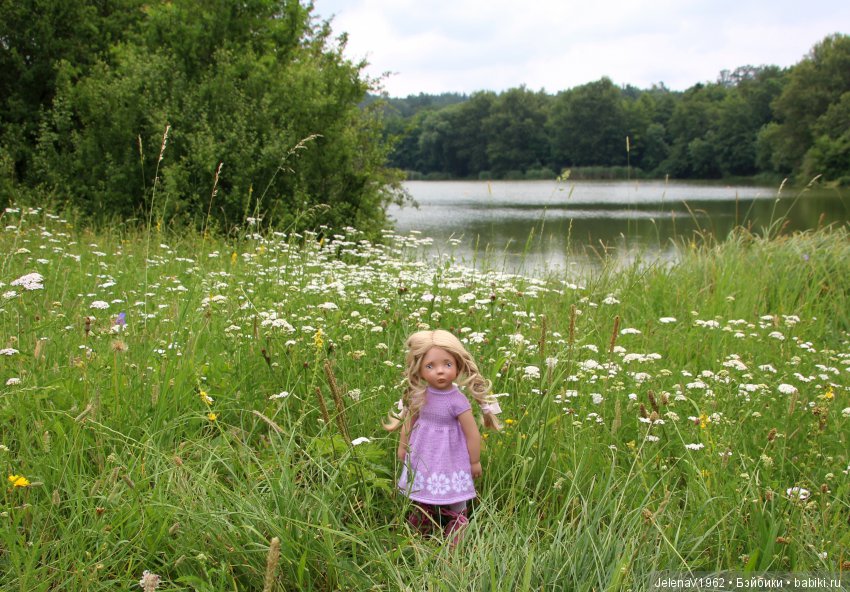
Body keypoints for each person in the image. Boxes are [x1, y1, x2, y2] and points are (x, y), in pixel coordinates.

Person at [384, 329, 502, 545]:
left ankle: (457, 526)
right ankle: (422, 520)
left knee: (457, 496)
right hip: (423, 452)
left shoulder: (457, 400)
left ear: (458, 365)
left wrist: (474, 461)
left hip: (450, 454)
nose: (440, 372)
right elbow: (407, 423)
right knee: (419, 488)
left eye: (447, 364)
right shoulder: (419, 395)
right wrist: (402, 447)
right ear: (418, 369)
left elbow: (472, 433)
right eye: (431, 366)